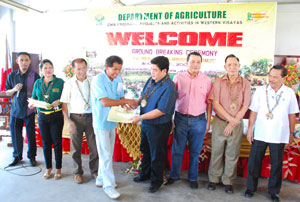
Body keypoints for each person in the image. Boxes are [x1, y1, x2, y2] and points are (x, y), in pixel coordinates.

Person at [244, 65, 299, 202]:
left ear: (283, 78)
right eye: (270, 76)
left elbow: (292, 115)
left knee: (276, 165)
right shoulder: (261, 91)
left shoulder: (289, 93)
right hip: (260, 133)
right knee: (254, 162)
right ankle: (250, 188)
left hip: (279, 135)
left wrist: (291, 133)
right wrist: (250, 129)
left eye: (275, 77)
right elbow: (254, 111)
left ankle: (274, 192)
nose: (271, 79)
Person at [91, 55, 136, 199]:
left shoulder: (117, 79)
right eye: (114, 69)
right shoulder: (98, 80)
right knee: (105, 155)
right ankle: (108, 186)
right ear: (107, 67)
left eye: (119, 70)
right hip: (101, 122)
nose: (117, 72)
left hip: (113, 120)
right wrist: (126, 100)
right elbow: (104, 102)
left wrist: (125, 105)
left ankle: (100, 179)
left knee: (107, 153)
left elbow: (118, 98)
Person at [165, 52, 212, 189]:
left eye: (198, 62)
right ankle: (174, 175)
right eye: (192, 62)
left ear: (201, 64)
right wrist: (172, 118)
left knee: (195, 151)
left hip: (199, 120)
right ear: (186, 63)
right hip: (180, 119)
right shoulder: (178, 77)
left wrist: (208, 122)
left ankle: (193, 178)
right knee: (177, 150)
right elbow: (173, 98)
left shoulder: (207, 80)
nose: (195, 65)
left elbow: (209, 103)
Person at [131, 56, 177, 193]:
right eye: (151, 69)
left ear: (164, 71)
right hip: (146, 123)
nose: (152, 72)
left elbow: (161, 111)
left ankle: (156, 181)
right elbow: (143, 97)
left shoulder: (169, 87)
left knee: (157, 154)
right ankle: (145, 174)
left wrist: (139, 117)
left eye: (155, 70)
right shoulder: (151, 80)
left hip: (159, 126)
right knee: (145, 150)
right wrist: (134, 103)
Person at [207, 54, 251, 193]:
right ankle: (214, 179)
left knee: (232, 153)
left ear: (239, 66)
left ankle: (229, 181)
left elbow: (245, 105)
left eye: (235, 64)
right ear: (225, 67)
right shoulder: (219, 82)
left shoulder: (246, 83)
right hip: (220, 122)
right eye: (229, 65)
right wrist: (229, 119)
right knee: (217, 151)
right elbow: (215, 103)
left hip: (237, 124)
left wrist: (233, 122)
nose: (232, 67)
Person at [61, 58, 99, 184]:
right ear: (73, 70)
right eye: (78, 69)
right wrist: (68, 121)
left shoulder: (93, 81)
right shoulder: (69, 83)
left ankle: (95, 171)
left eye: (84, 68)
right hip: (75, 118)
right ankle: (77, 172)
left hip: (92, 117)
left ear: (87, 67)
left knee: (94, 147)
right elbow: (64, 104)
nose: (82, 71)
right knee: (76, 148)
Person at [29, 59, 64, 179]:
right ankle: (48, 168)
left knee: (57, 142)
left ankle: (58, 168)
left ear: (53, 69)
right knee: (45, 143)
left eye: (50, 67)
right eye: (45, 68)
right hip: (42, 116)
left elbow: (65, 98)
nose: (48, 70)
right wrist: (32, 104)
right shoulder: (38, 83)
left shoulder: (59, 82)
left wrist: (59, 101)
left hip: (56, 115)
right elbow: (33, 98)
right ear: (41, 70)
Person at [5, 52, 40, 167]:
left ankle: (32, 157)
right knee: (15, 134)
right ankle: (17, 156)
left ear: (29, 61)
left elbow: (39, 93)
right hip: (16, 110)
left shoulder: (34, 76)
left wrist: (35, 105)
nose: (24, 62)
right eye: (21, 60)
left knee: (30, 136)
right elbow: (7, 92)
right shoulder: (12, 75)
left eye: (26, 60)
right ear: (17, 61)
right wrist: (14, 89)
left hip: (29, 110)